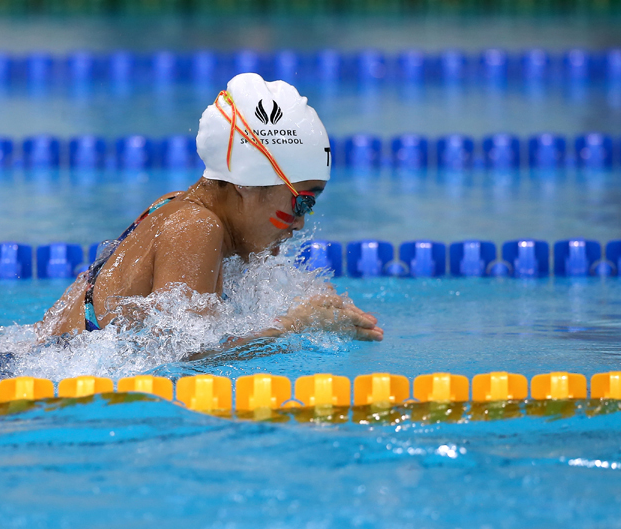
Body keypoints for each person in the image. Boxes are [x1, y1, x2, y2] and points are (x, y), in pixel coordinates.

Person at [39, 73, 383, 345]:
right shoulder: (196, 226)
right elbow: (184, 359)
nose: (300, 224)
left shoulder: (178, 206)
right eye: (302, 200)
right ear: (248, 184)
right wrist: (294, 325)